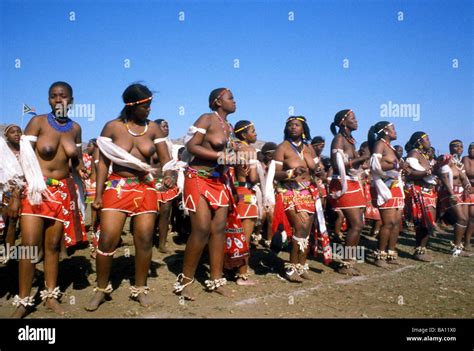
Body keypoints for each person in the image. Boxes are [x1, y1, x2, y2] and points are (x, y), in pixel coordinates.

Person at [85, 83, 175, 311]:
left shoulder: (153, 128)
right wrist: (98, 194)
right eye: (145, 106)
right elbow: (103, 162)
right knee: (108, 239)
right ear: (131, 105)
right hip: (117, 187)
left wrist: (170, 175)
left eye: (150, 105)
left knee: (144, 239)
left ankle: (140, 288)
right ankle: (101, 289)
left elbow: (167, 161)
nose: (149, 110)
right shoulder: (113, 127)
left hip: (145, 187)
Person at [12, 81, 87, 318]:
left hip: (63, 192)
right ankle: (24, 300)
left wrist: (83, 169)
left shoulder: (75, 128)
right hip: (36, 191)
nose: (58, 100)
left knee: (53, 247)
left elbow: (76, 162)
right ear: (48, 100)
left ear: (71, 101)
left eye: (63, 96)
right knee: (29, 246)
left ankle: (50, 296)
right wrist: (15, 195)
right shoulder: (37, 122)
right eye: (53, 96)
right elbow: (22, 160)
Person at [173, 88, 237, 301]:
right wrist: (221, 156)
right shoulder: (207, 119)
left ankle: (216, 280)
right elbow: (191, 146)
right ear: (218, 101)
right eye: (231, 98)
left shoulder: (229, 126)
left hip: (219, 181)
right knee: (200, 229)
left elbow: (228, 156)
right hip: (198, 178)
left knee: (218, 230)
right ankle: (186, 281)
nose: (234, 101)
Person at [267, 116, 318, 282]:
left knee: (306, 232)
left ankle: (301, 266)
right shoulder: (282, 147)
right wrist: (291, 173)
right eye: (290, 125)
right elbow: (274, 173)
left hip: (308, 192)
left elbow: (318, 170)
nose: (293, 128)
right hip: (290, 191)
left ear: (303, 129)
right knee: (299, 229)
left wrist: (318, 172)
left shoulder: (308, 148)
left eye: (297, 125)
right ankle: (290, 267)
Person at [329, 109, 369, 275]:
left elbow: (350, 164)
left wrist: (361, 160)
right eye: (353, 118)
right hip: (343, 184)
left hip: (353, 184)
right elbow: (338, 165)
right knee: (356, 225)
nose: (357, 121)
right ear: (343, 122)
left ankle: (350, 261)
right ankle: (345, 264)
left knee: (358, 226)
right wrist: (361, 158)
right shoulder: (338, 139)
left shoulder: (350, 140)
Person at [368, 122, 406, 266]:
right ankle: (380, 255)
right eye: (393, 129)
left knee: (396, 223)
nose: (395, 131)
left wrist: (401, 168)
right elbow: (375, 165)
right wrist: (396, 165)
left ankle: (391, 253)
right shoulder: (380, 144)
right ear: (385, 131)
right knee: (388, 223)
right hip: (386, 188)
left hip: (396, 188)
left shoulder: (390, 147)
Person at [233, 120, 260, 285]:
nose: (256, 133)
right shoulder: (249, 150)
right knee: (245, 237)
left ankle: (229, 268)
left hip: (233, 193)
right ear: (244, 134)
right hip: (246, 193)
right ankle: (242, 274)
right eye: (253, 130)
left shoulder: (231, 148)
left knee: (232, 233)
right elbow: (253, 177)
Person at [404, 132, 437, 261]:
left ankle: (422, 249)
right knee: (424, 222)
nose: (429, 142)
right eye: (427, 139)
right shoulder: (413, 154)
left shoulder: (423, 155)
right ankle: (419, 250)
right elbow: (411, 174)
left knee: (428, 223)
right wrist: (430, 171)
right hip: (420, 192)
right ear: (419, 142)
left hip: (429, 192)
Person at [437, 140, 472, 256]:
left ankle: (458, 246)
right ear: (450, 147)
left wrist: (467, 185)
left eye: (461, 146)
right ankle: (456, 248)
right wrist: (451, 193)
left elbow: (463, 176)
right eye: (456, 146)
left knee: (465, 219)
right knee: (462, 218)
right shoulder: (446, 159)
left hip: (461, 193)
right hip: (449, 193)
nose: (460, 148)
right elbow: (443, 176)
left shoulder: (458, 162)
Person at [151, 119, 180, 253]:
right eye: (163, 126)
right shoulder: (149, 144)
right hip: (151, 181)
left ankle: (162, 243)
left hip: (166, 181)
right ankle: (147, 239)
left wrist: (172, 178)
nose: (166, 128)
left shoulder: (169, 144)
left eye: (167, 126)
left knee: (165, 212)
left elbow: (171, 165)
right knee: (149, 213)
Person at [0, 124, 22, 261]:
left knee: (13, 223)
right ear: (6, 136)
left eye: (19, 132)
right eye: (13, 132)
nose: (16, 134)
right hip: (4, 190)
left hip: (21, 191)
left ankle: (9, 253)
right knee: (3, 221)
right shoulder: (2, 151)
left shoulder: (27, 151)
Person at [462, 142, 474, 250]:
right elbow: (465, 173)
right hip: (466, 190)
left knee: (472, 216)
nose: (471, 150)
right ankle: (461, 239)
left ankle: (467, 241)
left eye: (473, 149)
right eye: (470, 148)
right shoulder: (465, 159)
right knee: (465, 217)